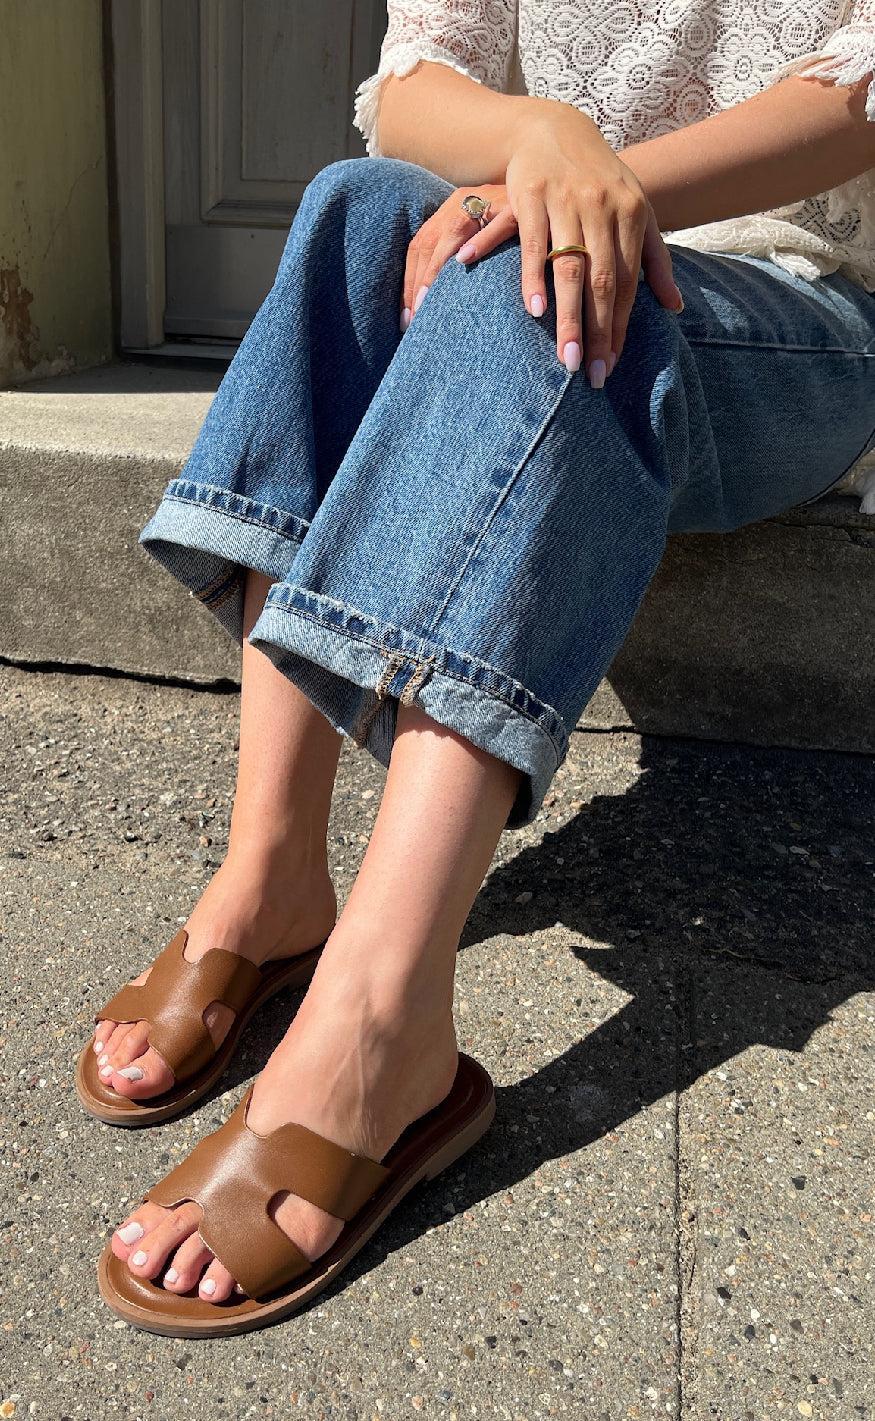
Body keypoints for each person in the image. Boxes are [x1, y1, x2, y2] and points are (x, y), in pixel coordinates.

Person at [82, 1, 875, 1335]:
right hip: (533, 231)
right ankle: (269, 880)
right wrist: (545, 142)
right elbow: (411, 85)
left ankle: (382, 1021)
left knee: (552, 282)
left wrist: (595, 194)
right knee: (356, 210)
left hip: (805, 311)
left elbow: (857, 97)